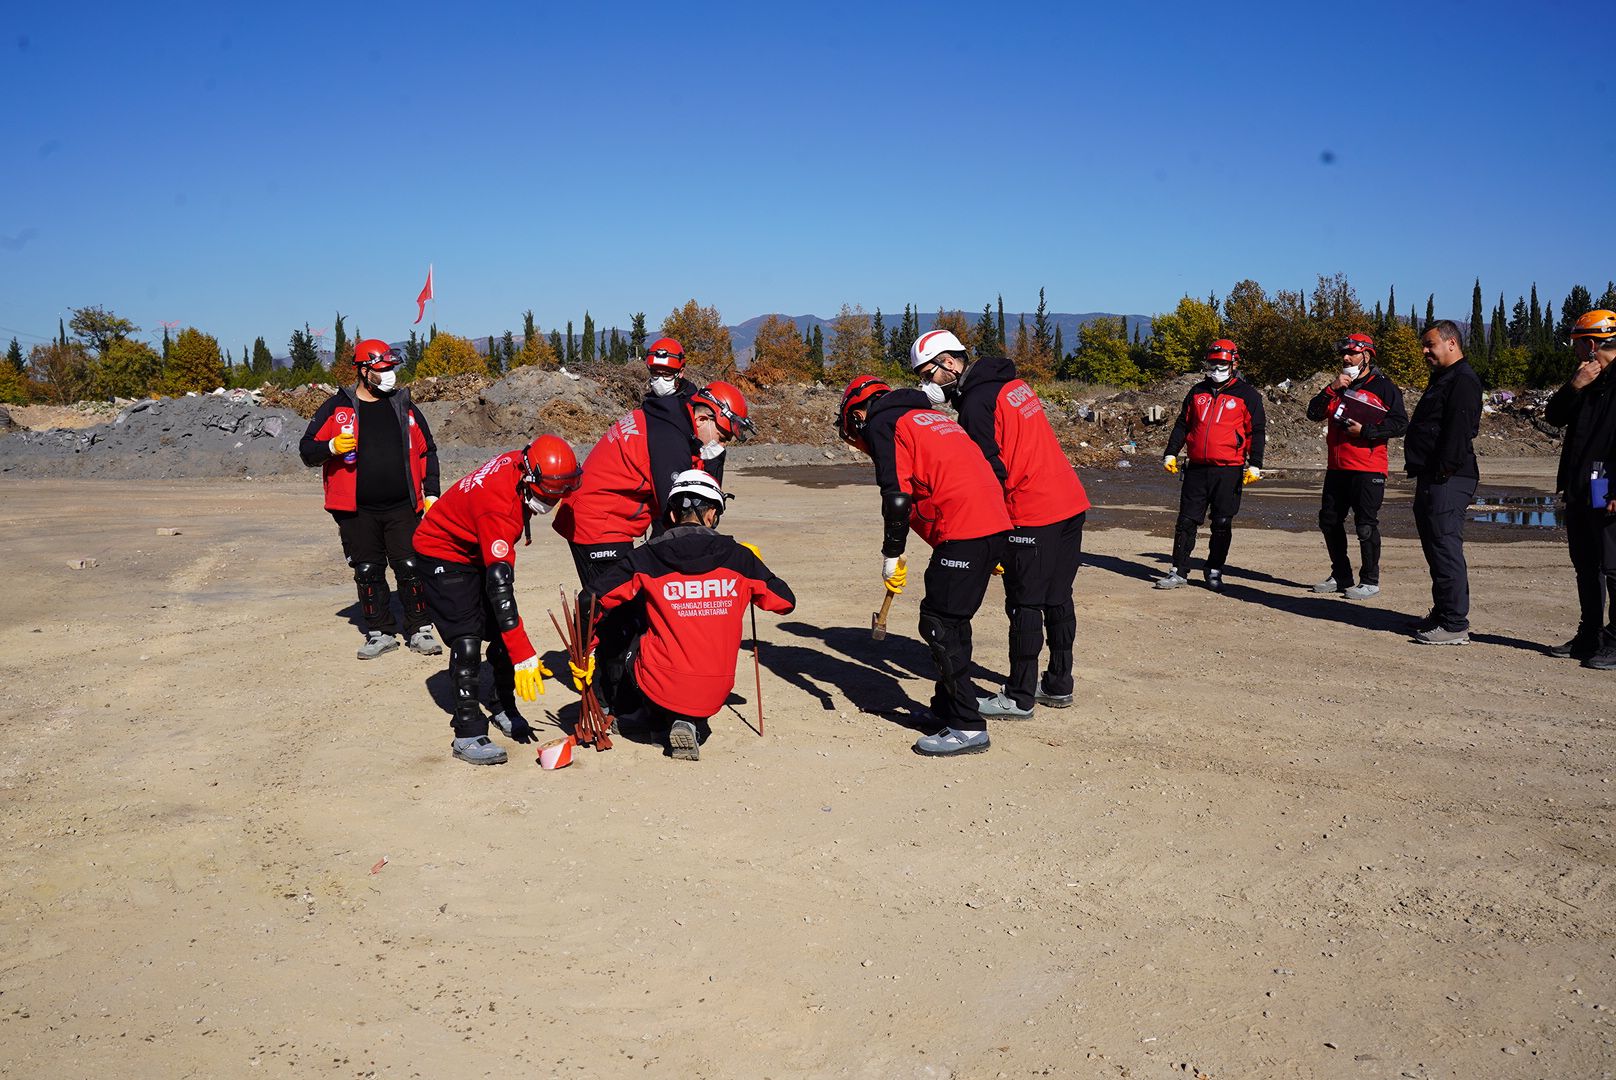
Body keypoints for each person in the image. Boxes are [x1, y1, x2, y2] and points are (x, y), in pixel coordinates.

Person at [908, 328, 1091, 719]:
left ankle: (1020, 696)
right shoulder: (1012, 383)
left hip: (1031, 511)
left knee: (1024, 604)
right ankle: (1059, 683)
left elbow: (988, 471)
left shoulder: (976, 402)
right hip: (1069, 500)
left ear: (951, 362)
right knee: (1058, 597)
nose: (927, 384)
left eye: (929, 374)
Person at [552, 381, 755, 710]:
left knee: (631, 608)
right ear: (704, 418)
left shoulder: (671, 419)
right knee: (619, 613)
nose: (725, 441)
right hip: (597, 523)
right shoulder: (669, 439)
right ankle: (611, 702)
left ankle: (622, 693)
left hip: (610, 520)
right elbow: (676, 514)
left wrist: (713, 455)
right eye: (724, 434)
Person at [838, 375, 1012, 756]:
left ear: (858, 412)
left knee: (940, 623)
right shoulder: (931, 417)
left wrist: (892, 554)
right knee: (951, 618)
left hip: (967, 529)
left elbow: (897, 497)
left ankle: (967, 726)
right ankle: (948, 707)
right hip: (990, 523)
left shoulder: (885, 422)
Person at [573, 470, 795, 761]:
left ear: (674, 516)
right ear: (713, 513)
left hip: (661, 684)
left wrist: (586, 650)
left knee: (631, 633)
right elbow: (785, 602)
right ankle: (690, 722)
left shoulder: (647, 557)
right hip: (716, 689)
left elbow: (588, 600)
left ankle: (654, 720)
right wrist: (755, 567)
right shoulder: (740, 558)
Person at [411, 434, 583, 764]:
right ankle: (467, 732)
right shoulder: (499, 509)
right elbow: (500, 588)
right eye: (552, 493)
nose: (557, 500)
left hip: (473, 548)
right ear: (529, 478)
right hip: (440, 552)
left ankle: (502, 704)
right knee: (468, 639)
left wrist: (514, 646)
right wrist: (524, 653)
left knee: (503, 637)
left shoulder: (522, 462)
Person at [299, 339, 442, 659]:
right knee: (367, 570)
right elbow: (307, 450)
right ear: (363, 371)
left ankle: (420, 628)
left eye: (391, 368)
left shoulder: (404, 406)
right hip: (355, 510)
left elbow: (427, 450)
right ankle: (380, 632)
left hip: (403, 507)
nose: (389, 374)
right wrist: (331, 447)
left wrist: (431, 492)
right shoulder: (336, 408)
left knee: (410, 566)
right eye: (382, 369)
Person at [1304, 333, 1409, 599]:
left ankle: (1370, 581)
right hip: (1337, 467)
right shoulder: (1338, 385)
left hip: (1368, 467)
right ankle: (1341, 574)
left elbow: (1400, 424)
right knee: (1329, 521)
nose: (1346, 358)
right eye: (1343, 354)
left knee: (1365, 524)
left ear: (1367, 355)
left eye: (1351, 353)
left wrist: (1367, 431)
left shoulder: (1383, 386)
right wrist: (1331, 388)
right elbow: (1312, 413)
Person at [1158, 339, 1267, 592]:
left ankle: (1214, 569)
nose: (1217, 368)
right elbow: (1182, 424)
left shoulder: (1248, 395)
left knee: (1222, 522)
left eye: (1222, 363)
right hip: (1196, 467)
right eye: (1213, 363)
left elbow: (1256, 431)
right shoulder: (1197, 392)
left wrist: (1255, 464)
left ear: (1233, 363)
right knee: (1186, 520)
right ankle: (1178, 570)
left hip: (1229, 469)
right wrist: (1170, 453)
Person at [1543, 310, 1616, 666]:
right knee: (1585, 563)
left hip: (1606, 483)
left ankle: (1615, 641)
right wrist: (1575, 385)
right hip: (1580, 484)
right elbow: (1554, 417)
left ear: (1590, 343)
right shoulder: (1589, 381)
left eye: (1576, 343)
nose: (1573, 350)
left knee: (1613, 563)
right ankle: (1589, 635)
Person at [1404, 319, 1483, 645]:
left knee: (1445, 547)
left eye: (1430, 345)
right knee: (1436, 548)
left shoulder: (1463, 380)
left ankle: (1454, 624)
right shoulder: (1443, 378)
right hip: (1434, 476)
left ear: (1451, 343)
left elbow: (1459, 431)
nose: (1424, 351)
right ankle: (1443, 612)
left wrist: (1442, 472)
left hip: (1449, 479)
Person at [643, 336, 698, 402]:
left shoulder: (692, 403)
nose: (660, 380)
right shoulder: (648, 401)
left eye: (666, 374)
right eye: (655, 373)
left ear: (680, 373)